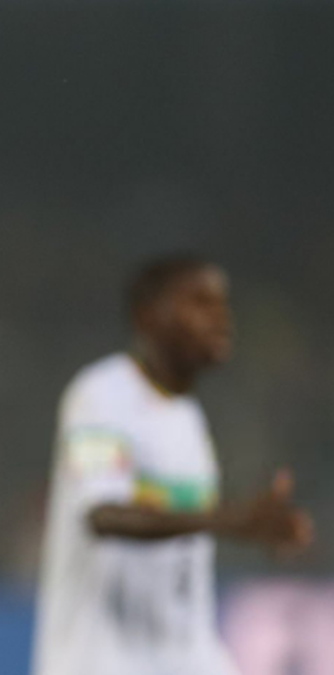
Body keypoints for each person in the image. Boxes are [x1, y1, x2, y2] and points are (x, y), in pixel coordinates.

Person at [32, 255, 314, 675]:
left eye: (222, 304)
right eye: (200, 302)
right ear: (147, 317)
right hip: (100, 662)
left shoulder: (187, 416)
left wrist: (253, 527)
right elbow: (104, 514)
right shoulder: (101, 395)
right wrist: (230, 519)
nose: (221, 318)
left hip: (181, 657)